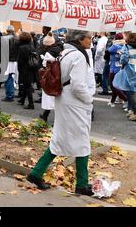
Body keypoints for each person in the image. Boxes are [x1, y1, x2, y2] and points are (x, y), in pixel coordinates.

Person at [27, 29, 95, 196]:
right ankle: (82, 184)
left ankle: (36, 173)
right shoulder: (78, 56)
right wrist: (89, 99)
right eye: (89, 37)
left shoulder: (65, 53)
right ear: (80, 39)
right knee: (82, 141)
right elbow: (79, 85)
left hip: (64, 99)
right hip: (75, 102)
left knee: (60, 138)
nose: (91, 40)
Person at [39, 33, 63, 122]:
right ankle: (47, 115)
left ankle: (46, 116)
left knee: (49, 95)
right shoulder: (60, 48)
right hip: (59, 75)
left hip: (50, 76)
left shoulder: (49, 53)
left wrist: (43, 58)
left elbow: (45, 64)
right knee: (57, 98)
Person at [17, 32, 36, 110]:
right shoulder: (31, 46)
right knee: (26, 85)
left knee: (27, 86)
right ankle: (22, 100)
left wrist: (19, 70)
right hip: (31, 68)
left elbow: (20, 61)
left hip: (25, 69)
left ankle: (31, 104)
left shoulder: (22, 48)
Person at [107, 33, 127, 107]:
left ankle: (126, 99)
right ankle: (112, 101)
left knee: (113, 85)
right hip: (121, 67)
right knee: (118, 85)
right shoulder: (124, 45)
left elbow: (107, 51)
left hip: (113, 67)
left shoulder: (115, 46)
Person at [3, 26, 19, 102]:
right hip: (15, 60)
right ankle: (10, 94)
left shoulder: (6, 38)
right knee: (11, 77)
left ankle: (9, 95)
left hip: (8, 61)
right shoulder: (17, 38)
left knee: (8, 78)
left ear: (7, 31)